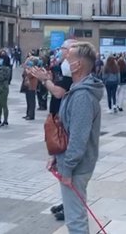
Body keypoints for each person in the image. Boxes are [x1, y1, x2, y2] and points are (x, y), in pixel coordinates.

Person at [48, 42, 104, 234]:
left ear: (78, 65)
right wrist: (57, 158)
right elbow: (67, 129)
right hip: (72, 163)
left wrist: (68, 168)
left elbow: (79, 138)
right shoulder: (77, 90)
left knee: (75, 219)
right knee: (74, 215)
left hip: (77, 167)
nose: (64, 62)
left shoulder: (82, 97)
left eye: (68, 58)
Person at [31, 39, 76, 221]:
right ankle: (66, 202)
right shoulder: (63, 70)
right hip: (57, 120)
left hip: (63, 123)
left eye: (63, 49)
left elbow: (59, 92)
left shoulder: (70, 73)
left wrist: (45, 82)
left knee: (65, 165)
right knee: (59, 163)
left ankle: (70, 206)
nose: (61, 52)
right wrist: (47, 79)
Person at [0, 53, 12, 127]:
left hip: (3, 88)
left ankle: (5, 120)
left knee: (4, 104)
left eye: (1, 59)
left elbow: (1, 77)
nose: (0, 60)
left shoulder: (7, 69)